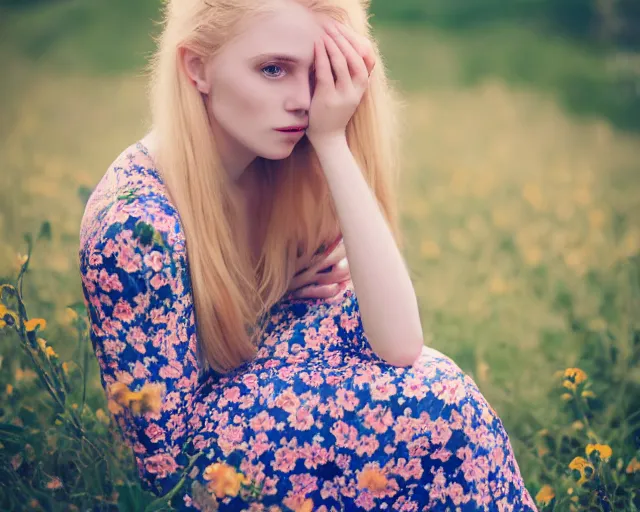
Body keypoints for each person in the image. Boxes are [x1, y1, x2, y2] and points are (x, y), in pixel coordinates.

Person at [78, 0, 538, 510]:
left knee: (436, 390)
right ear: (197, 67)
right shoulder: (139, 226)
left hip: (247, 414)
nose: (302, 100)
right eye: (273, 69)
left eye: (318, 74)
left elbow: (400, 343)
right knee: (436, 406)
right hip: (201, 476)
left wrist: (332, 141)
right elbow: (163, 463)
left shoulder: (282, 166)